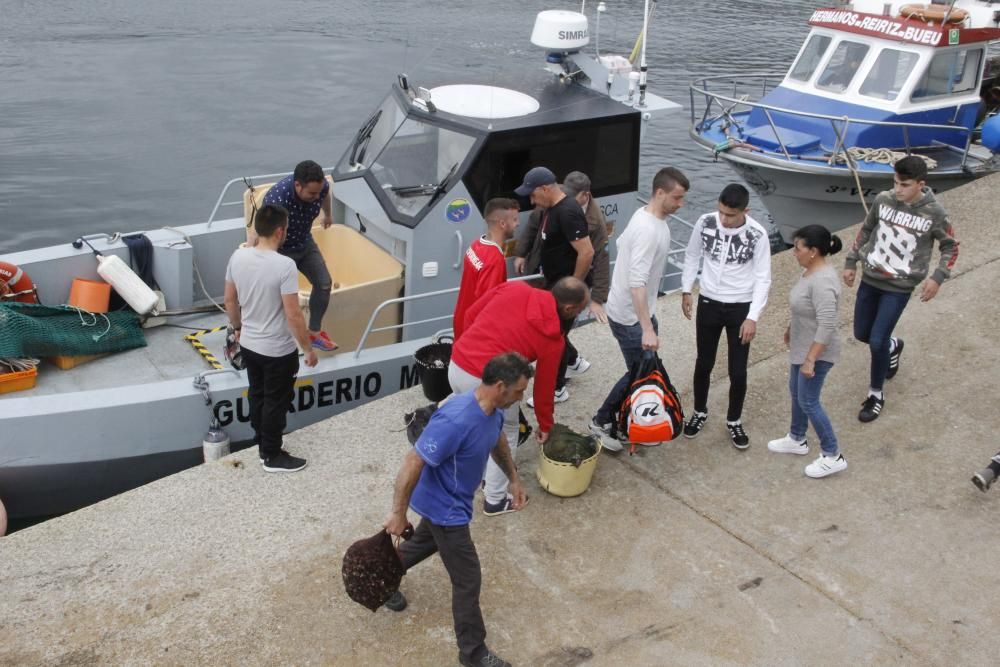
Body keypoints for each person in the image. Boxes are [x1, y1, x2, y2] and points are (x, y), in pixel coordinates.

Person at [383, 352, 530, 667]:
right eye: (519, 391)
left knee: (424, 543)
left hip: (454, 502)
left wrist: (513, 480)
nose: (522, 396)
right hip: (445, 507)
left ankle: (381, 579)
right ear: (500, 386)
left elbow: (497, 441)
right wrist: (398, 513)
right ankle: (472, 652)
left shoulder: (495, 411)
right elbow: (413, 460)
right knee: (468, 578)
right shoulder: (456, 418)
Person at [450, 277, 590, 515]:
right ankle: (495, 498)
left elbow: (471, 313)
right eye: (580, 310)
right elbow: (544, 387)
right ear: (569, 309)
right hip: (490, 381)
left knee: (474, 427)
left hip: (457, 364)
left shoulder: (514, 288)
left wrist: (468, 345)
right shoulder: (553, 339)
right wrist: (546, 424)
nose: (580, 314)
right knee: (506, 431)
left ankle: (480, 476)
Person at [842, 155, 958, 422]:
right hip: (871, 278)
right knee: (862, 333)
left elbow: (951, 245)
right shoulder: (883, 200)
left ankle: (875, 395)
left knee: (876, 340)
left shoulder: (934, 213)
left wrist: (938, 277)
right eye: (895, 183)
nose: (898, 189)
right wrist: (851, 261)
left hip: (899, 286)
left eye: (904, 185)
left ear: (920, 184)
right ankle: (893, 347)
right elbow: (866, 229)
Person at [588, 167, 690, 452]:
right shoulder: (648, 230)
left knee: (644, 369)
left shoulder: (644, 216)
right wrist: (647, 327)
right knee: (640, 373)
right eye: (677, 198)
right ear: (660, 192)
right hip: (631, 318)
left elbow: (621, 245)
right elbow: (637, 283)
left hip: (635, 312)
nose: (680, 204)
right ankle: (602, 420)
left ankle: (623, 419)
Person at [224, 204, 318, 472]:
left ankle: (260, 439)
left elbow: (230, 300)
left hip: (249, 344)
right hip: (277, 350)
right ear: (280, 231)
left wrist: (238, 326)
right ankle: (272, 455)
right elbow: (294, 315)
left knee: (258, 394)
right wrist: (308, 349)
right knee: (276, 401)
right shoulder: (285, 266)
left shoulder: (237, 257)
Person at [681, 183, 772, 449]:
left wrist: (752, 317)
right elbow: (692, 255)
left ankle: (734, 420)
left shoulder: (758, 235)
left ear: (746, 211)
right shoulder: (705, 222)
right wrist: (687, 289)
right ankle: (699, 411)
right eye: (721, 212)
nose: (724, 220)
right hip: (709, 302)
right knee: (704, 362)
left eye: (731, 215)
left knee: (738, 370)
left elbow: (763, 278)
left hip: (740, 307)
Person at [767, 225, 848, 478]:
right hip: (802, 346)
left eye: (798, 248)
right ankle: (797, 438)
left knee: (809, 401)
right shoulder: (809, 272)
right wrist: (792, 328)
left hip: (817, 352)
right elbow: (804, 307)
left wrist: (811, 359)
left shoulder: (823, 281)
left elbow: (827, 324)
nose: (794, 252)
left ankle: (833, 454)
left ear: (813, 251)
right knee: (796, 392)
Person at [514, 167, 595, 405]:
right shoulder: (550, 208)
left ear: (545, 188)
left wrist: (573, 285)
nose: (531, 200)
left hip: (565, 290)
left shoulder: (568, 212)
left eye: (532, 194)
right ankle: (574, 361)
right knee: (554, 330)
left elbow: (587, 252)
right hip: (553, 282)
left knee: (553, 338)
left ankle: (556, 389)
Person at [261, 160, 338, 352]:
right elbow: (263, 234)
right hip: (280, 250)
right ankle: (269, 337)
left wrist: (327, 215)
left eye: (318, 192)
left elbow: (325, 195)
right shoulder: (277, 199)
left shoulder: (321, 188)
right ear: (297, 185)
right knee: (277, 297)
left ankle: (314, 333)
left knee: (324, 283)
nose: (316, 197)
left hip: (304, 242)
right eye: (311, 193)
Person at [515, 171, 611, 324]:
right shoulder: (551, 197)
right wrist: (521, 252)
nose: (569, 200)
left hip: (565, 280)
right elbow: (533, 225)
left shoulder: (595, 220)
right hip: (543, 273)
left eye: (573, 198)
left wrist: (597, 299)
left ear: (586, 195)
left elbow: (599, 256)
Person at [452, 198, 520, 340]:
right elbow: (488, 305)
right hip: (476, 333)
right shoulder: (494, 260)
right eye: (514, 220)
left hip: (462, 321)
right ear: (502, 224)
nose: (518, 224)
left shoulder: (476, 245)